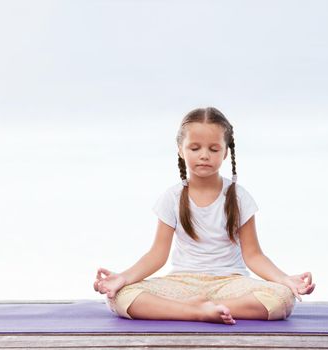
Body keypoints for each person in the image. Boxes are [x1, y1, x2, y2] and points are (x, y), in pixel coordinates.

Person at [93, 107, 316, 325]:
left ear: (226, 152)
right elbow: (156, 255)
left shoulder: (239, 197)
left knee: (281, 298)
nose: (204, 156)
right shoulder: (171, 197)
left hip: (230, 284)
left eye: (213, 149)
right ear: (181, 149)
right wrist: (122, 278)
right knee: (121, 296)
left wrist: (285, 279)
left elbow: (254, 256)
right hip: (182, 283)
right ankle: (196, 311)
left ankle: (200, 307)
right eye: (195, 148)